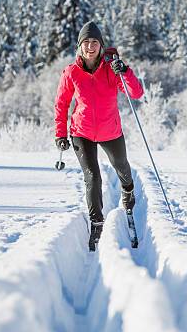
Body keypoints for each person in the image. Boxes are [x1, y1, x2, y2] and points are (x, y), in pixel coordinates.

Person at [54, 20, 144, 250]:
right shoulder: (71, 72)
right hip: (81, 132)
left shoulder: (112, 69)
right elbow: (62, 104)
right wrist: (60, 134)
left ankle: (128, 194)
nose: (90, 46)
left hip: (110, 130)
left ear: (101, 45)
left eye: (95, 42)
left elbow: (136, 93)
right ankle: (96, 221)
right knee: (92, 177)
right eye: (86, 42)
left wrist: (125, 71)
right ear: (80, 46)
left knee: (123, 168)